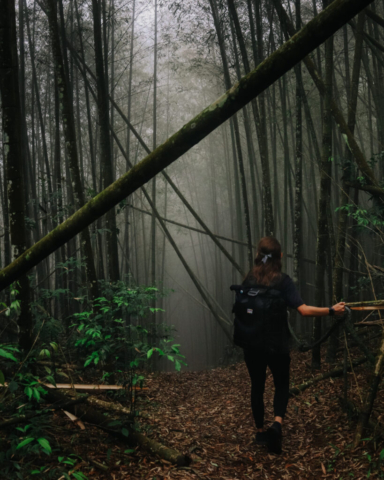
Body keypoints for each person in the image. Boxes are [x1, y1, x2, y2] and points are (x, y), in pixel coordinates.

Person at [234, 237, 345, 454]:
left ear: (258, 255)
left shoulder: (247, 279)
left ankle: (259, 431)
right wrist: (331, 310)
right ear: (280, 257)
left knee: (257, 385)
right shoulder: (283, 281)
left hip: (252, 344)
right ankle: (276, 425)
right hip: (277, 345)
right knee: (282, 384)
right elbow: (303, 310)